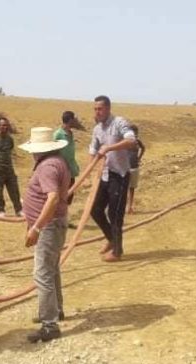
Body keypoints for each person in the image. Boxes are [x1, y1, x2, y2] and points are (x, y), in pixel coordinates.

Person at [20, 127, 71, 343]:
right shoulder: (58, 162)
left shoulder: (47, 167)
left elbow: (52, 198)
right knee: (52, 269)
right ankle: (55, 310)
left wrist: (36, 228)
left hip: (49, 226)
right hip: (55, 224)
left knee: (42, 273)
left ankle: (49, 324)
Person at [89, 95, 137, 262]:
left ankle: (117, 251)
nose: (97, 112)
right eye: (95, 109)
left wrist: (110, 147)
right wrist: (90, 175)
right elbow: (93, 151)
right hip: (104, 175)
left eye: (100, 109)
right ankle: (111, 238)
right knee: (95, 209)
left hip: (120, 175)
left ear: (108, 108)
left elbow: (131, 140)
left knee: (115, 214)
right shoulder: (97, 129)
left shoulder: (119, 123)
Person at [0, 117, 23, 216]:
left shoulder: (10, 139)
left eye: (6, 125)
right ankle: (1, 210)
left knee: (14, 190)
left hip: (9, 169)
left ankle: (18, 210)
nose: (5, 127)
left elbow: (10, 149)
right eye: (2, 125)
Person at [53, 111, 81, 205]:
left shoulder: (70, 133)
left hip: (71, 171)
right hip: (61, 172)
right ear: (70, 120)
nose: (77, 121)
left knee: (69, 197)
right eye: (75, 119)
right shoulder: (58, 134)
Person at [126, 124, 146, 215]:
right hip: (125, 168)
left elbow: (143, 148)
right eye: (133, 132)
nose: (135, 134)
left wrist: (139, 158)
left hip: (135, 167)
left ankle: (130, 207)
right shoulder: (125, 142)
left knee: (132, 188)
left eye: (136, 132)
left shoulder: (138, 142)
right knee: (123, 189)